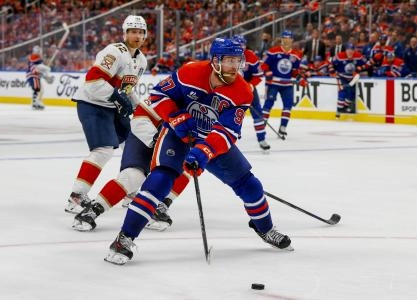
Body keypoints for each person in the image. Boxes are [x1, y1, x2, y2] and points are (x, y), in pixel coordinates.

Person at [104, 37, 293, 265]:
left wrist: (203, 151)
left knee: (250, 186)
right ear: (215, 60)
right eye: (230, 60)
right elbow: (159, 96)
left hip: (210, 140)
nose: (235, 66)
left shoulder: (243, 91)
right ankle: (124, 239)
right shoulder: (190, 72)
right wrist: (176, 117)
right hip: (177, 134)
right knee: (160, 181)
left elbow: (227, 132)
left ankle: (266, 229)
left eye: (238, 60)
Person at [64, 15, 148, 214]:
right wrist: (117, 96)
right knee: (103, 150)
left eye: (140, 32)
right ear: (125, 33)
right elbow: (93, 82)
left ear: (145, 35)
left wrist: (140, 107)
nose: (137, 36)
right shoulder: (114, 51)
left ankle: (129, 192)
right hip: (92, 104)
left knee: (137, 144)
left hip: (111, 107)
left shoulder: (141, 60)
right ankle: (76, 197)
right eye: (133, 31)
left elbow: (126, 90)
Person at [72, 102, 191, 231]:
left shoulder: (210, 103)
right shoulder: (174, 89)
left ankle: (158, 205)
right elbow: (139, 117)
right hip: (145, 136)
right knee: (133, 176)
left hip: (173, 141)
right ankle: (92, 210)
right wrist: (157, 139)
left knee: (188, 167)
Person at [260, 30, 302, 138]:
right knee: (268, 105)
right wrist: (268, 72)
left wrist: (298, 77)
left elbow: (295, 71)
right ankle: (261, 126)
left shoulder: (296, 55)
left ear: (292, 40)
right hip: (273, 83)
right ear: (281, 39)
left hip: (287, 85)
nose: (286, 40)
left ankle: (283, 127)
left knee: (288, 106)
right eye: (284, 38)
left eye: (288, 38)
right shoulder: (273, 51)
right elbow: (263, 65)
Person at [232, 35, 269, 151]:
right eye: (237, 45)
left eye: (242, 45)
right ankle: (230, 139)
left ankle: (262, 139)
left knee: (258, 113)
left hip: (249, 90)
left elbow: (258, 75)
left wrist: (251, 85)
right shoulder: (226, 55)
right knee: (232, 115)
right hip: (232, 91)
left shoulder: (251, 56)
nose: (240, 47)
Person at [329, 43, 369, 118]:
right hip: (341, 77)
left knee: (352, 94)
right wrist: (332, 72)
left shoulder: (358, 56)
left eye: (352, 50)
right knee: (342, 92)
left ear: (354, 50)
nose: (350, 52)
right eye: (348, 50)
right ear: (346, 50)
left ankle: (344, 107)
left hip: (352, 78)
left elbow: (368, 64)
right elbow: (330, 63)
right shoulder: (339, 56)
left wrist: (360, 68)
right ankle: (339, 109)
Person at [26, 45, 54, 110]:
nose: (39, 52)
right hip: (33, 75)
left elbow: (39, 70)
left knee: (41, 90)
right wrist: (47, 70)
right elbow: (38, 67)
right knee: (37, 89)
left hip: (35, 75)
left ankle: (36, 102)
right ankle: (35, 102)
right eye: (38, 51)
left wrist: (46, 76)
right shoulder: (34, 56)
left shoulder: (36, 57)